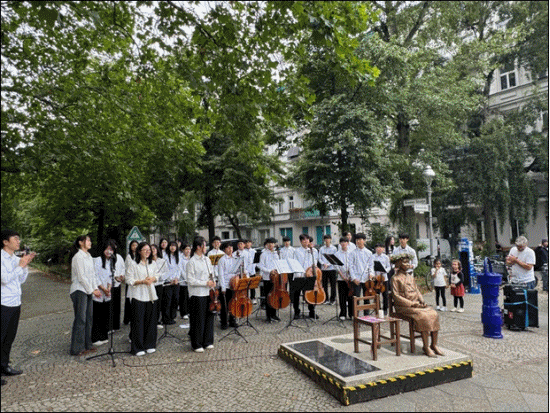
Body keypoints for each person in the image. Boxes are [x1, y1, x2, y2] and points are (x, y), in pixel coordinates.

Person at [391, 253, 443, 358]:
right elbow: (396, 296)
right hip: (404, 306)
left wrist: (421, 300)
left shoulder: (410, 277)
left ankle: (433, 344)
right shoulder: (395, 278)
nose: (407, 264)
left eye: (408, 262)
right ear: (399, 264)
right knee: (423, 316)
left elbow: (417, 290)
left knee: (434, 313)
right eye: (405, 262)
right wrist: (411, 303)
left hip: (416, 304)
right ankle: (426, 347)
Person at [1, 230, 36, 385]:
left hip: (16, 301)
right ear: (5, 242)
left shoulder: (16, 258)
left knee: (9, 337)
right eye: (15, 238)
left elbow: (21, 280)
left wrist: (25, 265)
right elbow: (4, 279)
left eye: (19, 239)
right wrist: (20, 266)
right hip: (3, 302)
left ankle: (4, 366)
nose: (18, 241)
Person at [69, 235, 101, 356]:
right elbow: (81, 277)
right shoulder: (78, 257)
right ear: (81, 242)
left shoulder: (89, 256)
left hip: (88, 290)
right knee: (81, 319)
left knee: (88, 318)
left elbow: (92, 275)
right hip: (79, 290)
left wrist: (95, 288)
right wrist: (92, 290)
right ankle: (77, 348)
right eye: (88, 240)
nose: (90, 242)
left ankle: (87, 344)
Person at [126, 242, 159, 356]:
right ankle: (138, 347)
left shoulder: (152, 263)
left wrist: (153, 279)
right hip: (138, 296)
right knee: (138, 322)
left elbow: (157, 275)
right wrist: (142, 281)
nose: (147, 252)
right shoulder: (133, 264)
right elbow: (129, 279)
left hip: (151, 295)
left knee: (151, 322)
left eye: (149, 250)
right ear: (139, 251)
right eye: (145, 250)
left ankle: (150, 344)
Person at [186, 236, 216, 352]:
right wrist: (205, 283)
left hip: (208, 293)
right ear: (198, 247)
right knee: (198, 319)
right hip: (197, 294)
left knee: (209, 317)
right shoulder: (191, 262)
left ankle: (207, 341)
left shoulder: (207, 259)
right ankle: (197, 344)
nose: (206, 247)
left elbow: (211, 273)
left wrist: (213, 281)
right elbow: (190, 280)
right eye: (204, 245)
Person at [91, 243, 115, 346]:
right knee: (97, 315)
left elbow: (110, 276)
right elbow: (95, 276)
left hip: (107, 292)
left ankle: (103, 335)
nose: (109, 251)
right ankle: (95, 338)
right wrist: (103, 289)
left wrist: (109, 288)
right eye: (107, 249)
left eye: (111, 250)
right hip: (99, 291)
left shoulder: (110, 261)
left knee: (105, 314)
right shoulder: (97, 260)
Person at [293, 234, 320, 319]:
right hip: (299, 275)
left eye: (307, 240)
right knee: (296, 294)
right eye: (304, 240)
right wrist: (300, 273)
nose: (306, 241)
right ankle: (296, 312)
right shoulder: (297, 251)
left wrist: (311, 271)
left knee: (310, 293)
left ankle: (312, 311)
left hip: (309, 275)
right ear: (301, 242)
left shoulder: (314, 250)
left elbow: (315, 262)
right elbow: (295, 263)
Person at [102, 240, 125, 332]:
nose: (113, 248)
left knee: (116, 305)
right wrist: (114, 277)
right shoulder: (105, 258)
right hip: (109, 285)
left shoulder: (119, 257)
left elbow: (123, 268)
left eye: (114, 246)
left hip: (117, 284)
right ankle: (108, 326)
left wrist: (121, 276)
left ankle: (116, 325)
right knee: (109, 306)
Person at [350, 233, 374, 315]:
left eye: (360, 239)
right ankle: (355, 315)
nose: (358, 241)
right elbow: (350, 267)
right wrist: (353, 278)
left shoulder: (369, 252)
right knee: (356, 298)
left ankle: (366, 315)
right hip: (356, 279)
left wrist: (371, 274)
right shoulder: (352, 253)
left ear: (364, 241)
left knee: (366, 298)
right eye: (357, 240)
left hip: (366, 278)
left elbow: (371, 265)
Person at [258, 238, 281, 323]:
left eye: (272, 243)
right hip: (267, 278)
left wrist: (277, 270)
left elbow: (278, 263)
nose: (271, 245)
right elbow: (260, 266)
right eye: (269, 243)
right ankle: (268, 316)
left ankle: (274, 314)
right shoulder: (263, 254)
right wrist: (269, 271)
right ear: (267, 245)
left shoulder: (276, 253)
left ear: (274, 244)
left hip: (276, 277)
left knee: (275, 296)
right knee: (268, 297)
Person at [218, 242, 239, 329]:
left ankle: (232, 320)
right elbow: (221, 274)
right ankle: (223, 322)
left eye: (231, 247)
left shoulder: (235, 258)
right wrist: (223, 287)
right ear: (224, 249)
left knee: (233, 303)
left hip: (234, 284)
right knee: (224, 305)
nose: (230, 249)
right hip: (225, 285)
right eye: (228, 248)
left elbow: (237, 271)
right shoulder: (222, 260)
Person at [162, 241, 181, 325]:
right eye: (171, 246)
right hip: (168, 282)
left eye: (174, 246)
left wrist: (177, 278)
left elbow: (179, 269)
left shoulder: (178, 256)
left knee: (175, 299)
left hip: (176, 282)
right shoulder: (165, 256)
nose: (173, 247)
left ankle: (172, 316)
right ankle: (166, 318)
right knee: (167, 300)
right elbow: (165, 270)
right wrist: (170, 279)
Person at [335, 237, 353, 320]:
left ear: (348, 243)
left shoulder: (351, 252)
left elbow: (353, 264)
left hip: (350, 278)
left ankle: (351, 313)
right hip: (341, 278)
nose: (343, 243)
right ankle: (343, 313)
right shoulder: (337, 254)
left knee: (350, 296)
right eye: (341, 242)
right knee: (342, 296)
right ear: (340, 244)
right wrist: (342, 276)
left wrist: (350, 275)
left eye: (345, 242)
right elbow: (336, 266)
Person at [150, 244, 167, 329]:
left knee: (158, 303)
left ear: (157, 250)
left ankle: (157, 320)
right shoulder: (148, 261)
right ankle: (151, 321)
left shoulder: (162, 261)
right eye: (151, 249)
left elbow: (165, 272)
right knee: (151, 303)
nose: (153, 250)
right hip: (151, 284)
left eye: (154, 249)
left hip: (159, 284)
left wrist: (158, 277)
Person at [372, 243, 391, 316]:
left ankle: (385, 309)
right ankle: (378, 308)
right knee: (376, 294)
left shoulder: (386, 257)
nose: (379, 249)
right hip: (376, 278)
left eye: (381, 247)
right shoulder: (372, 256)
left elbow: (389, 267)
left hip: (384, 278)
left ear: (383, 249)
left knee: (385, 294)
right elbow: (370, 266)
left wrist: (385, 270)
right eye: (377, 247)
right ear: (375, 249)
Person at [123, 240, 139, 325]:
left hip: (138, 281)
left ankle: (134, 317)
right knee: (129, 299)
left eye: (136, 245)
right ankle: (127, 318)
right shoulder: (129, 256)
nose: (135, 247)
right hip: (130, 281)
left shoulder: (139, 256)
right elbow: (126, 268)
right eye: (133, 245)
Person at [319, 234, 337, 305]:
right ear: (324, 240)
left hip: (332, 268)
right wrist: (323, 264)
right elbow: (319, 258)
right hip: (324, 269)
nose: (327, 240)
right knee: (324, 285)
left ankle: (333, 299)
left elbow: (334, 258)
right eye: (325, 239)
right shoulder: (321, 249)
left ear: (330, 239)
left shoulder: (334, 248)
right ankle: (325, 298)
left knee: (333, 285)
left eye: (328, 239)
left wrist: (328, 264)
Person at [179, 243, 191, 320]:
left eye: (189, 249)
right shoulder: (180, 258)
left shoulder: (191, 258)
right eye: (186, 249)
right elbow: (181, 269)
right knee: (183, 298)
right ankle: (184, 313)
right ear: (183, 250)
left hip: (190, 281)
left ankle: (189, 311)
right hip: (183, 281)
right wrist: (186, 278)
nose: (188, 251)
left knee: (189, 297)